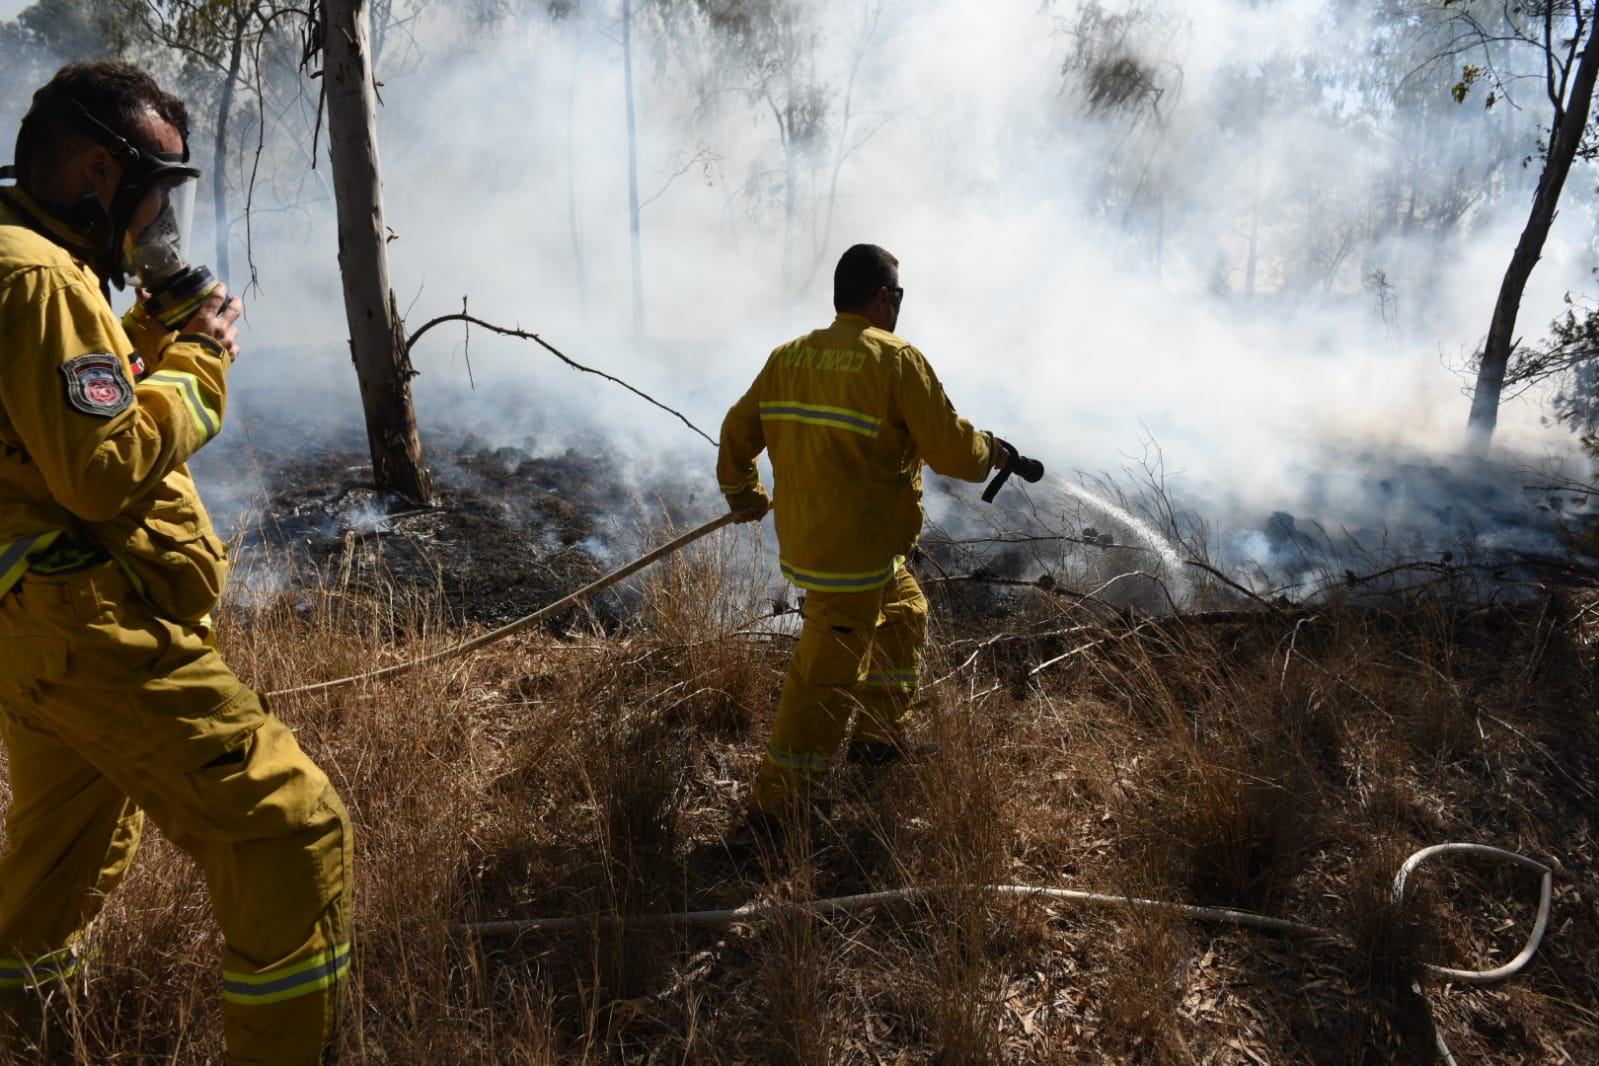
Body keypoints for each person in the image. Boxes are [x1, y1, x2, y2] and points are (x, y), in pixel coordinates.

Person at [0, 61, 352, 1063]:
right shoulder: (39, 278)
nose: (163, 223)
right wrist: (200, 362)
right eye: (158, 195)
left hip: (34, 627)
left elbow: (52, 417)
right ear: (102, 172)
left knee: (50, 886)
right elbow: (99, 469)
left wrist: (147, 336)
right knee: (293, 831)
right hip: (85, 622)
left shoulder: (24, 261)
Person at [717, 242, 1011, 830]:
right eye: (898, 297)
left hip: (839, 548)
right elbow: (953, 450)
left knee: (905, 612)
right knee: (824, 679)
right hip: (850, 561)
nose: (899, 308)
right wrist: (993, 452)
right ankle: (776, 813)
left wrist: (744, 493)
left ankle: (877, 740)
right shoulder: (895, 360)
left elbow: (737, 429)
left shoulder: (789, 357)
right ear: (882, 298)